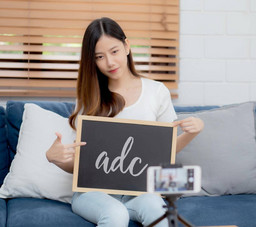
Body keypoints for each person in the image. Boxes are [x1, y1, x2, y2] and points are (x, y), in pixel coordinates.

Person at [46, 17, 204, 227]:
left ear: (127, 46)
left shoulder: (156, 92)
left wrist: (192, 133)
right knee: (115, 213)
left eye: (114, 51)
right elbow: (84, 165)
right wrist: (55, 158)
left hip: (138, 192)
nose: (110, 62)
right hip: (93, 194)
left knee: (159, 210)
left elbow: (166, 151)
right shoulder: (90, 97)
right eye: (99, 57)